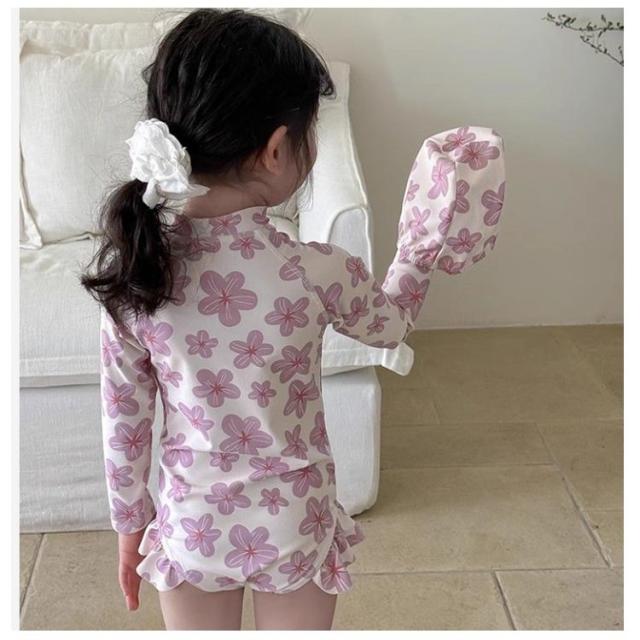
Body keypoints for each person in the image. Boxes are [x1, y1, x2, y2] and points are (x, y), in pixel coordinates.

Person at [80, 7, 506, 631]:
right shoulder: (315, 271)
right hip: (293, 521)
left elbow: (125, 424)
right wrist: (420, 246)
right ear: (277, 148)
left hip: (192, 524)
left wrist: (129, 525)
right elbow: (390, 326)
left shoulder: (136, 282)